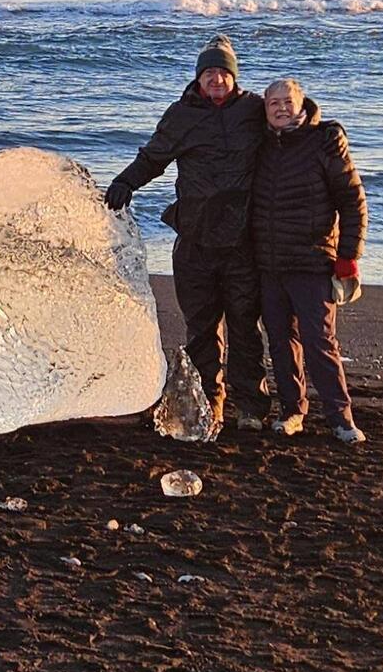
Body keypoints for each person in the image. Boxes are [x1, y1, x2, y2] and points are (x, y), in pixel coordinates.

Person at [104, 35, 270, 430]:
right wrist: (126, 181)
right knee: (201, 330)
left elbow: (289, 129)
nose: (216, 79)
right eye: (208, 72)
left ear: (234, 77)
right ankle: (208, 405)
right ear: (198, 78)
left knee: (245, 327)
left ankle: (251, 407)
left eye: (223, 73)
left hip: (242, 241)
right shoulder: (182, 115)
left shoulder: (254, 110)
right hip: (195, 238)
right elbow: (153, 157)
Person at [250, 77, 368, 444]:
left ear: (302, 105)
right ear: (265, 109)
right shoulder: (260, 144)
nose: (281, 108)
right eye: (274, 103)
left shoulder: (324, 141)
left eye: (288, 101)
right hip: (269, 264)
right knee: (280, 342)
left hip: (313, 261)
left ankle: (341, 419)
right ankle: (292, 412)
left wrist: (348, 257)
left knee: (320, 342)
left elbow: (353, 202)